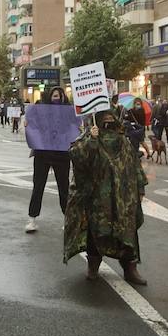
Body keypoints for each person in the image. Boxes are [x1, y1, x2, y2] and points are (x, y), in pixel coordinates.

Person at [63, 107, 147, 285]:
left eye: (111, 115)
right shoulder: (89, 137)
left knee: (126, 233)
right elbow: (77, 156)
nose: (108, 118)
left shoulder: (123, 141)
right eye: (104, 116)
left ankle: (130, 268)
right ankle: (93, 266)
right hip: (98, 198)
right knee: (97, 232)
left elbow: (134, 165)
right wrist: (91, 140)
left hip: (123, 198)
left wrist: (140, 189)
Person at [25, 86, 72, 233]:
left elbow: (74, 127)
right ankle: (32, 219)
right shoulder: (41, 110)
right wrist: (28, 124)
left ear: (63, 97)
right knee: (38, 187)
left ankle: (68, 220)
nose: (55, 99)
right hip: (42, 154)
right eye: (54, 96)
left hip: (61, 155)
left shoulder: (68, 112)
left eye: (58, 96)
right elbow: (33, 123)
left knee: (64, 188)